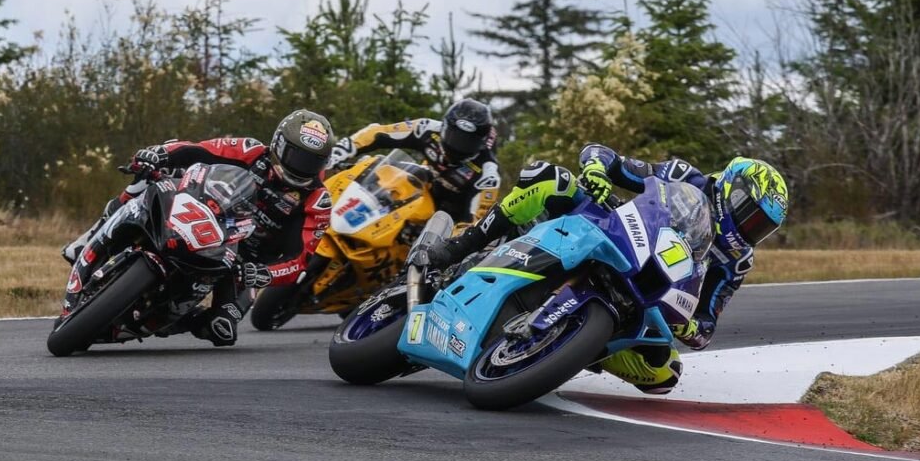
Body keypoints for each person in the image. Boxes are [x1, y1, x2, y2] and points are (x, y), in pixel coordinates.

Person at [423, 145, 789, 394]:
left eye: (762, 228)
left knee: (664, 374)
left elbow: (707, 323)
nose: (750, 229)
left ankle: (577, 347)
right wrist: (597, 171)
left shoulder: (737, 261)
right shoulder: (686, 176)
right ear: (733, 191)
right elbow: (605, 157)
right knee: (552, 179)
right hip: (617, 231)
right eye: (751, 216)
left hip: (649, 290)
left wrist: (690, 327)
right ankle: (459, 248)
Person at [60, 110, 335, 346]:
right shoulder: (251, 150)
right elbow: (199, 149)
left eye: (312, 162)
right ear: (278, 144)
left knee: (222, 330)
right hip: (202, 210)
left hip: (241, 262)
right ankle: (92, 236)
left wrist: (263, 274)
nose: (302, 168)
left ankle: (178, 318)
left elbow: (299, 261)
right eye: (297, 157)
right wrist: (159, 154)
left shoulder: (317, 201)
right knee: (146, 179)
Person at [325, 99, 502, 224]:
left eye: (466, 142)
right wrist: (336, 155)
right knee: (381, 166)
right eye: (453, 136)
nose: (456, 145)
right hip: (421, 191)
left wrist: (453, 240)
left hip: (448, 218)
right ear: (445, 126)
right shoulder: (426, 128)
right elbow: (376, 133)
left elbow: (477, 221)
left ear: (480, 143)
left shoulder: (488, 173)